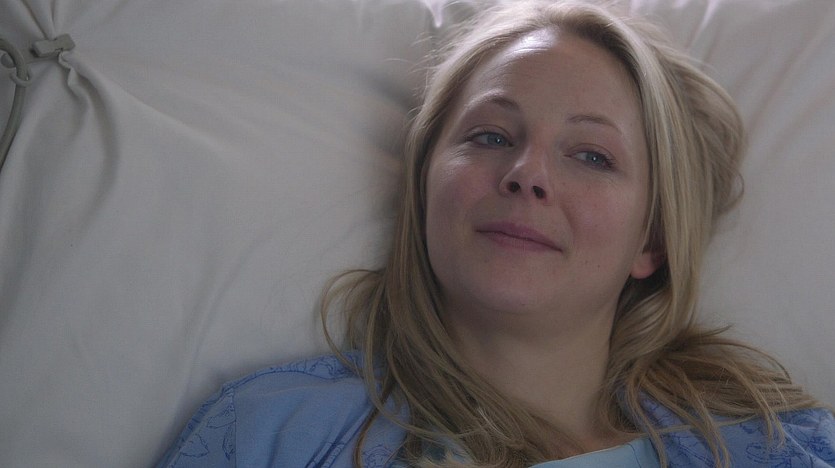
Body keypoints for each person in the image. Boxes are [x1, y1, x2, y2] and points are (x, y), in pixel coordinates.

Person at [157, 1, 835, 467]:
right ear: (424, 187)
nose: (526, 174)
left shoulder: (788, 450)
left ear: (651, 241)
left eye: (591, 155)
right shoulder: (267, 434)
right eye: (490, 136)